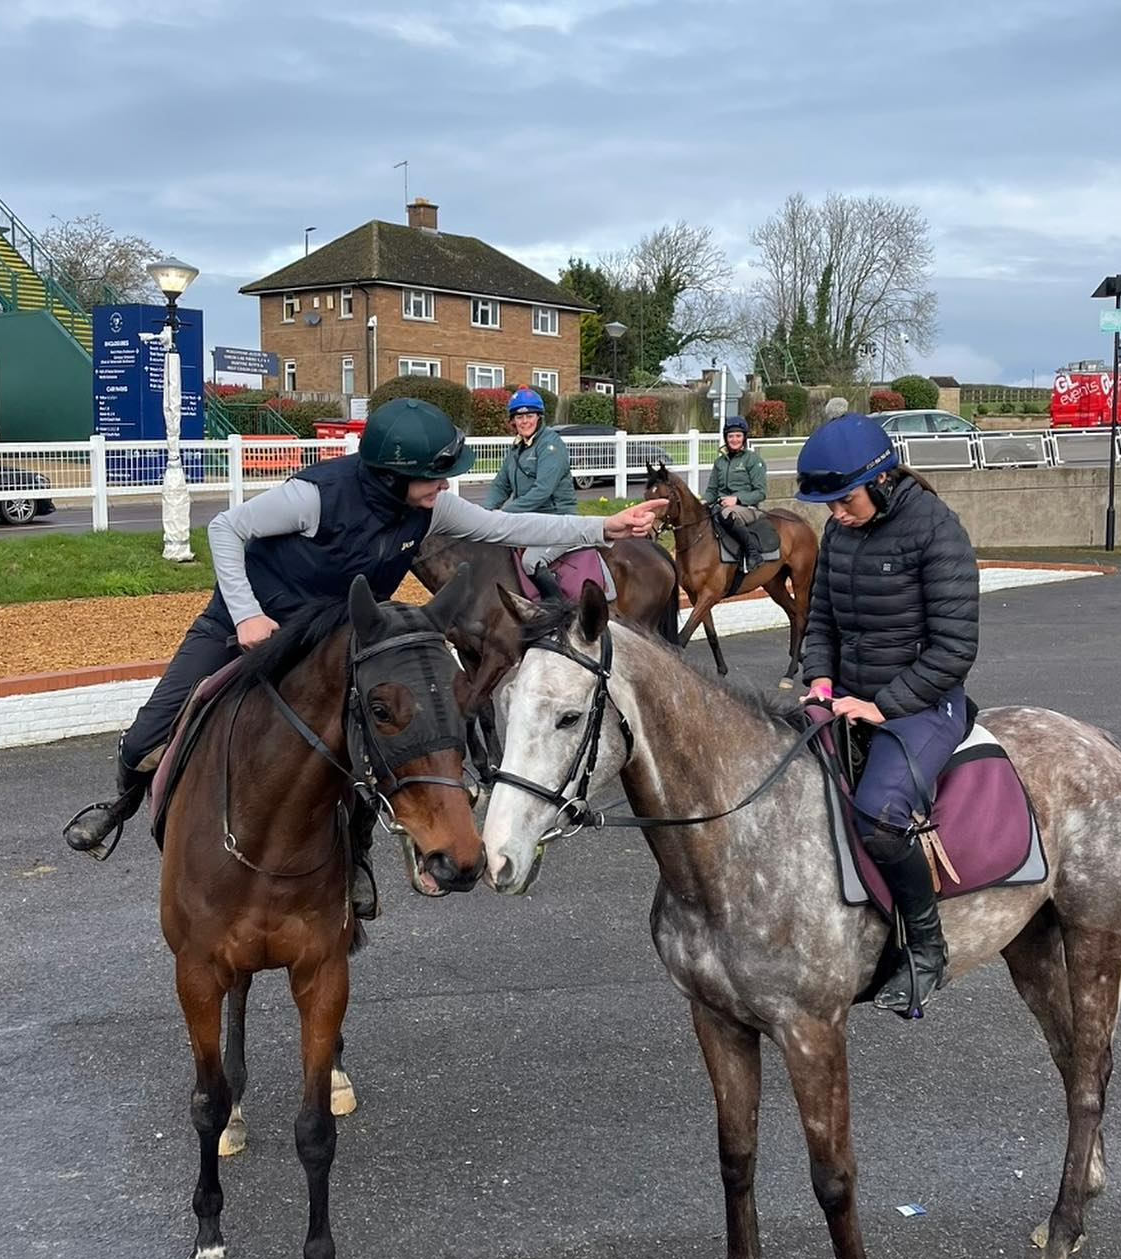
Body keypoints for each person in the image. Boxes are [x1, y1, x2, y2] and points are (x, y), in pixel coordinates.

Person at [63, 398, 667, 914]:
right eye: (436, 475)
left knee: (382, 742)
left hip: (339, 640)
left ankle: (355, 860)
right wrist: (246, 614)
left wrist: (603, 528)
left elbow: (503, 528)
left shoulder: (429, 506)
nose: (446, 486)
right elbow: (226, 528)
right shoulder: (314, 497)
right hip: (251, 624)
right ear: (388, 476)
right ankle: (119, 803)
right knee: (148, 733)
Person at [795, 413, 979, 1019]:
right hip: (845, 695)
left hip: (925, 704)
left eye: (844, 501)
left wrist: (880, 705)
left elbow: (955, 650)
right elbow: (818, 620)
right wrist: (819, 678)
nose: (837, 514)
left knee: (876, 816)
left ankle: (926, 951)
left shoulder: (936, 531)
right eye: (830, 506)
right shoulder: (841, 531)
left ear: (880, 480)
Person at [483, 386, 591, 600]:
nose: (524, 422)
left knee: (531, 561)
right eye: (519, 416)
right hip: (531, 521)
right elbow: (500, 485)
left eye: (529, 416)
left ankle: (557, 611)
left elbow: (542, 490)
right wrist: (483, 513)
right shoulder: (516, 449)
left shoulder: (551, 445)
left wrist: (506, 513)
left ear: (539, 417)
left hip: (557, 520)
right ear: (513, 420)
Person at [702, 414, 767, 577]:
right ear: (726, 438)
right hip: (721, 507)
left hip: (748, 508)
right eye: (731, 436)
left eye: (738, 436)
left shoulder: (753, 460)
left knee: (727, 514)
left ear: (744, 437)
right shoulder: (719, 462)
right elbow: (712, 490)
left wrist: (737, 499)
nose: (734, 439)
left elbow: (760, 493)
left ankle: (753, 553)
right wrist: (703, 502)